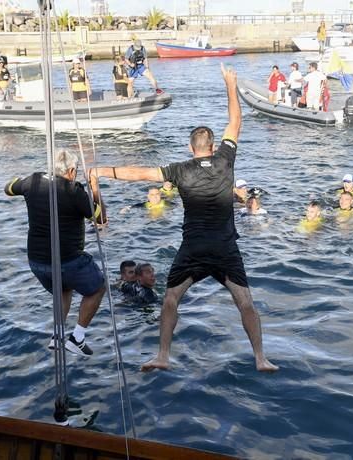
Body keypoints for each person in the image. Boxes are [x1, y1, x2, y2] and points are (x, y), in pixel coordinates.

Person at [90, 64, 278, 372]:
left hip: (192, 250)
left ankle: (163, 355)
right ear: (213, 147)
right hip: (224, 249)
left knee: (170, 300)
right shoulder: (225, 161)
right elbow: (235, 120)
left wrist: (104, 171)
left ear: (191, 149)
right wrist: (230, 84)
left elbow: (139, 174)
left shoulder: (179, 170)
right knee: (245, 303)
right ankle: (261, 358)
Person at [4, 149, 106, 356]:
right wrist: (94, 189)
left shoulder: (32, 181)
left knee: (63, 289)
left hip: (37, 263)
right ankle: (77, 338)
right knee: (98, 288)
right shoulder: (74, 191)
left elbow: (8, 188)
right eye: (75, 171)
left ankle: (57, 334)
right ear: (70, 171)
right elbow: (101, 218)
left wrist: (26, 179)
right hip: (68, 260)